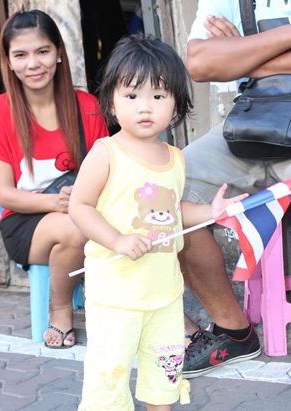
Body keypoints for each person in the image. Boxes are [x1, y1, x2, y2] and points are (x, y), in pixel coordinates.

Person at [69, 33, 247, 411]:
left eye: (158, 95)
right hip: (116, 296)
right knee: (109, 380)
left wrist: (211, 212)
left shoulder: (175, 158)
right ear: (113, 103)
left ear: (176, 106)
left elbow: (174, 211)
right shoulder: (106, 154)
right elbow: (80, 207)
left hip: (165, 297)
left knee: (163, 377)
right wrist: (117, 240)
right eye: (132, 95)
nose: (144, 107)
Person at [181, 0, 291, 378]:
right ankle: (233, 330)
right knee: (168, 190)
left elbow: (224, 64)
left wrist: (244, 52)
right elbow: (199, 64)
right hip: (251, 125)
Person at [0, 10, 109, 349]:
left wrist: (81, 199)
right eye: (21, 55)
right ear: (9, 62)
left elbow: (105, 172)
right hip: (25, 223)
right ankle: (59, 310)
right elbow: (4, 193)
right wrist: (55, 202)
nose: (33, 64)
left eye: (42, 51)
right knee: (74, 227)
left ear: (58, 52)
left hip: (82, 211)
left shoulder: (86, 106)